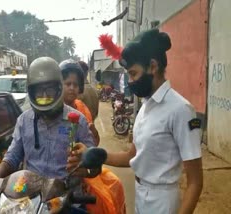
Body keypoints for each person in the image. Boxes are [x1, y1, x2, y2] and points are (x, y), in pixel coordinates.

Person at [72, 29, 203, 214]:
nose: (131, 81)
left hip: (163, 201)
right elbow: (132, 156)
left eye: (133, 74)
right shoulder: (145, 107)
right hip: (141, 194)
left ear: (153, 66)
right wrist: (98, 154)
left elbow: (195, 182)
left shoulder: (181, 110)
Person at [0, 57, 98, 207]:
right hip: (31, 202)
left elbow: (94, 166)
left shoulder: (78, 121)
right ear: (31, 92)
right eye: (39, 91)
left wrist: (86, 168)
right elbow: (12, 158)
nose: (44, 97)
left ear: (58, 89)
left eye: (49, 90)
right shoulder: (24, 121)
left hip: (68, 202)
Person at [59, 59, 100, 146]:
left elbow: (93, 144)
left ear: (80, 88)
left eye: (75, 85)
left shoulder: (82, 108)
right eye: (68, 84)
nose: (72, 88)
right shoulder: (53, 110)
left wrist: (94, 134)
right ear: (59, 86)